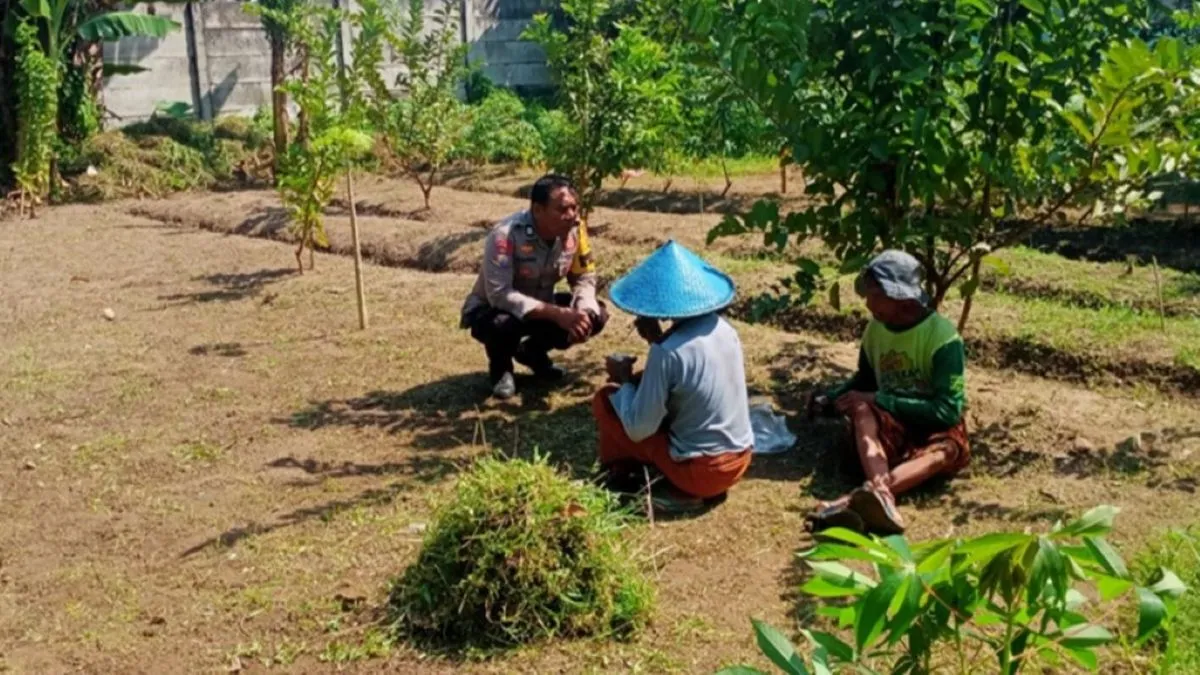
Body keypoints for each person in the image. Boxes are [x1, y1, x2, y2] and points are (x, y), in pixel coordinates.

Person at [804, 250, 970, 535]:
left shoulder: (943, 339)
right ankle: (882, 497)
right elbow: (865, 381)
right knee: (860, 408)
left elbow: (947, 410)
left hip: (931, 427)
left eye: (873, 294)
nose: (866, 302)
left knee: (944, 452)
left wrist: (881, 400)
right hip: (889, 431)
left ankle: (856, 499)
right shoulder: (875, 330)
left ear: (899, 297)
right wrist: (832, 398)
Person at [591, 240, 754, 507]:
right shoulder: (725, 330)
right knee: (642, 389)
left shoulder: (667, 352)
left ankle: (625, 475)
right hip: (740, 460)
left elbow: (638, 428)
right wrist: (656, 340)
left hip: (701, 472)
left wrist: (622, 378)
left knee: (606, 401)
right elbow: (689, 375)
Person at [460, 174, 608, 399]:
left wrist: (583, 312)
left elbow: (584, 277)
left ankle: (532, 352)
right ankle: (501, 369)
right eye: (562, 209)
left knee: (598, 314)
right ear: (538, 210)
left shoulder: (576, 232)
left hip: (541, 305)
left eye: (574, 208)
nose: (570, 216)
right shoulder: (506, 235)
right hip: (493, 309)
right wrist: (558, 314)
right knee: (502, 324)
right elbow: (500, 294)